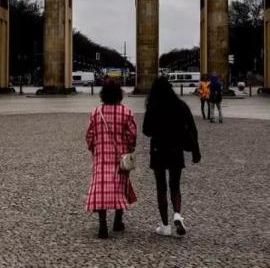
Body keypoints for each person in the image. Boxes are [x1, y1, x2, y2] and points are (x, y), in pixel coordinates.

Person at [143, 76, 200, 237]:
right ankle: (177, 214)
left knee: (161, 187)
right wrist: (195, 150)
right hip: (176, 149)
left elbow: (146, 130)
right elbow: (192, 129)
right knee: (175, 185)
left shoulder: (153, 106)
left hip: (158, 150)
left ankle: (165, 226)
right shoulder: (180, 105)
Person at [84, 79, 137, 239]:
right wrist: (129, 148)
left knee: (101, 187)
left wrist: (94, 148)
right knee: (120, 186)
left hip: (101, 156)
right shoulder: (126, 112)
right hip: (119, 156)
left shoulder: (95, 112)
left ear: (103, 94)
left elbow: (89, 136)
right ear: (119, 94)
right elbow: (131, 135)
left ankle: (102, 225)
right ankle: (117, 221)